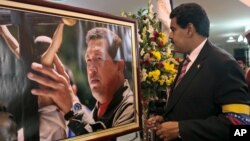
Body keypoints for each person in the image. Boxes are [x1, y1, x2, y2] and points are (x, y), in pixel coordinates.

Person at [147, 3, 250, 141]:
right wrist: (165, 119)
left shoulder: (224, 64)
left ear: (189, 29)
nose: (170, 36)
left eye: (173, 29)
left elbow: (240, 127)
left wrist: (181, 129)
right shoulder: (187, 61)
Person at [27, 27, 136, 139]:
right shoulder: (98, 108)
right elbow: (79, 110)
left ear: (119, 66)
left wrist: (69, 106)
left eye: (99, 58)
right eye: (88, 60)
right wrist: (71, 98)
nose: (91, 69)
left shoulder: (131, 109)